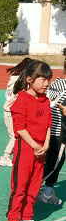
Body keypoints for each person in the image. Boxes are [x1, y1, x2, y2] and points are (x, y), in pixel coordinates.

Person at [5, 60, 52, 221]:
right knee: (20, 186)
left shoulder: (45, 101)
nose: (47, 84)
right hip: (26, 150)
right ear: (31, 80)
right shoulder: (22, 100)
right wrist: (35, 145)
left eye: (49, 79)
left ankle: (27, 218)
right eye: (43, 79)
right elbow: (20, 128)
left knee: (34, 186)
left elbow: (48, 124)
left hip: (40, 151)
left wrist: (45, 145)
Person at [37, 49, 66, 205]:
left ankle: (47, 193)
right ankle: (34, 193)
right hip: (58, 132)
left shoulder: (57, 83)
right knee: (53, 164)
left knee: (52, 162)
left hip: (47, 130)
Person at [0, 57, 31, 167]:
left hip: (12, 109)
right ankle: (5, 158)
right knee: (14, 136)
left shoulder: (15, 78)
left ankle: (15, 156)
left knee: (19, 135)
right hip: (10, 110)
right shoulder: (19, 81)